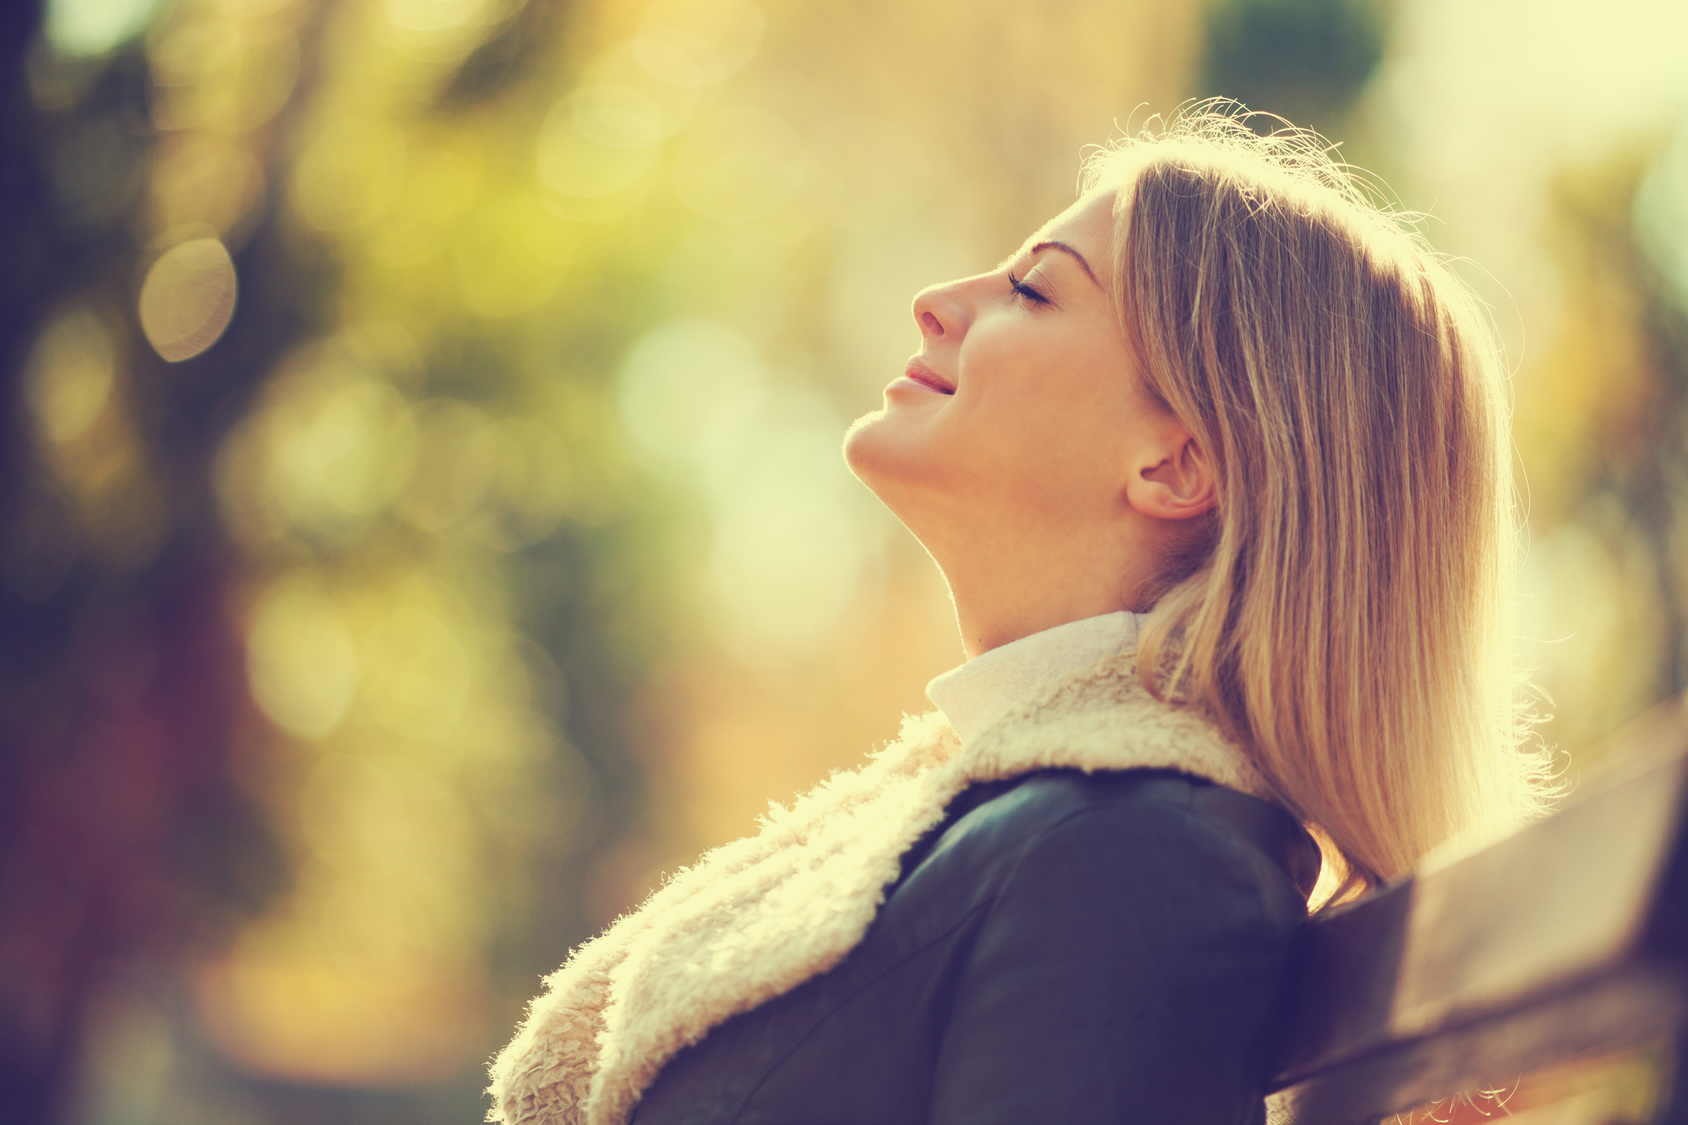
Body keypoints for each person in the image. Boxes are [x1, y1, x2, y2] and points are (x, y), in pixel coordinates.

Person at [487, 104, 1557, 1125]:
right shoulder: (1063, 829)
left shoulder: (1135, 862)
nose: (936, 301)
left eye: (1034, 291)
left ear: (1175, 459)